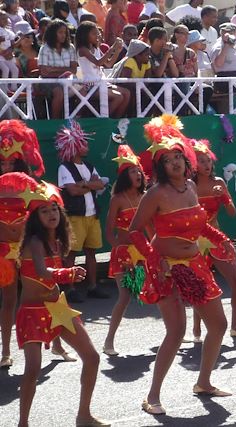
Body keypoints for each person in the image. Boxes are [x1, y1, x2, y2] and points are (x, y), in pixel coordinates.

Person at [130, 116, 232, 415]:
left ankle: (204, 382)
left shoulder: (189, 186)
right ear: (159, 166)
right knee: (176, 331)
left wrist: (221, 238)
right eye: (167, 159)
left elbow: (199, 224)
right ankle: (153, 396)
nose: (174, 162)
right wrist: (153, 258)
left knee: (219, 325)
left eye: (178, 156)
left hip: (195, 263)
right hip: (166, 268)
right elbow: (135, 231)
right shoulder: (155, 194)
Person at [12, 174, 107, 427]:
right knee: (32, 369)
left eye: (54, 208)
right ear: (35, 218)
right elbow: (43, 272)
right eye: (44, 211)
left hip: (57, 309)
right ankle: (23, 423)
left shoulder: (57, 241)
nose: (51, 213)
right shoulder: (33, 241)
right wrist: (68, 273)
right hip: (32, 312)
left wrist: (66, 273)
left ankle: (84, 415)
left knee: (92, 357)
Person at [190, 138, 236, 338]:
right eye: (201, 161)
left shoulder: (219, 182)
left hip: (216, 237)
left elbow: (232, 212)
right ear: (193, 164)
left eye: (208, 160)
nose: (206, 165)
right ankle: (196, 328)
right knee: (200, 285)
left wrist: (223, 196)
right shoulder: (189, 186)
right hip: (194, 242)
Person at [0, 121, 45, 369]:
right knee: (8, 301)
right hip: (4, 252)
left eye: (11, 163)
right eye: (2, 163)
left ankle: (56, 342)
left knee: (44, 294)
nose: (6, 167)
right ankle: (6, 350)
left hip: (27, 250)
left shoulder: (30, 185)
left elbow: (43, 215)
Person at [56, 120, 107, 303]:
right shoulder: (64, 167)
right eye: (83, 143)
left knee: (91, 252)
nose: (86, 146)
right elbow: (72, 191)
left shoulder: (89, 165)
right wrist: (89, 184)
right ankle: (69, 288)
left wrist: (84, 184)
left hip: (92, 216)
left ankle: (92, 286)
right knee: (71, 254)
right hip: (75, 218)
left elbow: (101, 184)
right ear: (75, 146)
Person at [102, 145, 146, 356]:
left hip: (143, 254)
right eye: (132, 171)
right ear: (124, 176)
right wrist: (119, 249)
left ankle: (175, 332)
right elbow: (109, 231)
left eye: (138, 170)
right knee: (125, 295)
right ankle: (109, 341)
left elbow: (152, 228)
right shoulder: (117, 200)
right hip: (124, 255)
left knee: (157, 290)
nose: (137, 174)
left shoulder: (146, 197)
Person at [75, 21, 130, 118]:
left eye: (97, 33)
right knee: (118, 97)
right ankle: (103, 119)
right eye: (94, 33)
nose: (97, 35)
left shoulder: (96, 49)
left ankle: (117, 120)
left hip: (102, 83)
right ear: (85, 35)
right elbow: (98, 62)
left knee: (126, 93)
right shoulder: (83, 50)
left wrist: (117, 51)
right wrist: (112, 48)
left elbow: (108, 64)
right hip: (91, 85)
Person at [37, 19, 78, 119]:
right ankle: (55, 122)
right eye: (60, 32)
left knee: (84, 91)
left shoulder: (70, 47)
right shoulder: (45, 48)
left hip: (68, 80)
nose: (63, 35)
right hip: (48, 81)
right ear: (53, 33)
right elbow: (44, 72)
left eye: (65, 32)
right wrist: (65, 70)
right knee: (59, 92)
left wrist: (53, 69)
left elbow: (73, 70)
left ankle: (75, 120)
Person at [0, 11, 20, 86]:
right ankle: (3, 90)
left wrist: (21, 38)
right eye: (2, 19)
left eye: (6, 18)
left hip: (7, 56)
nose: (5, 20)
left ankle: (13, 88)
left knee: (15, 70)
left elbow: (13, 45)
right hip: (0, 56)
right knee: (5, 69)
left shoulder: (9, 32)